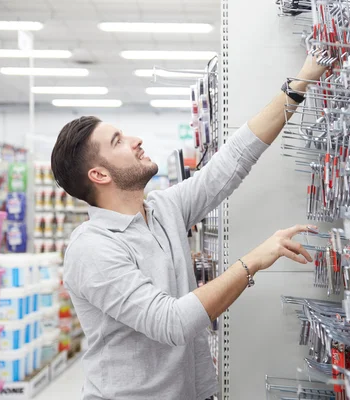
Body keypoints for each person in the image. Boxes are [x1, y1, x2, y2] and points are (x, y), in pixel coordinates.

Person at [50, 55, 326, 400]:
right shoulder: (91, 249)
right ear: (100, 175)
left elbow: (234, 159)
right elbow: (171, 323)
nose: (135, 140)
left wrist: (300, 82)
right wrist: (252, 260)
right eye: (118, 141)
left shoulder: (163, 209)